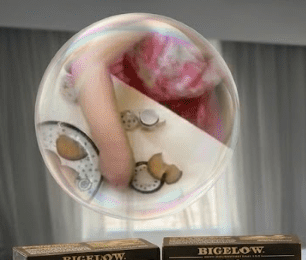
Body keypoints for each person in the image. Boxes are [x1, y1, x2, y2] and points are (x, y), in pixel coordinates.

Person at [66, 15, 226, 187]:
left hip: (171, 110)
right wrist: (113, 151)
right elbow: (87, 63)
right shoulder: (150, 18)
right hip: (108, 94)